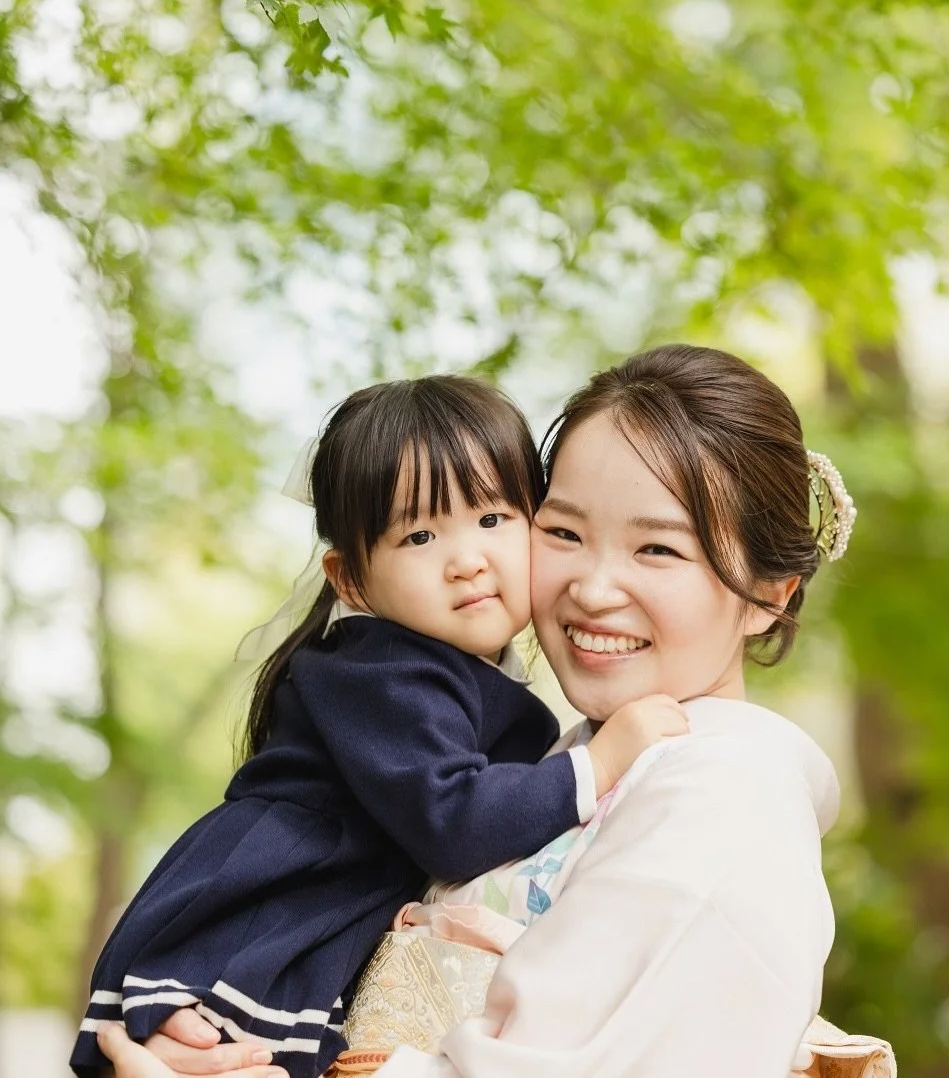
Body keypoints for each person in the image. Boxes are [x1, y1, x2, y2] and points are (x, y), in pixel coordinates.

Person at [94, 345, 894, 1078]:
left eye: (658, 548)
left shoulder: (723, 794)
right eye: (564, 531)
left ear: (767, 594)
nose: (592, 586)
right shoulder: (548, 761)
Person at [71, 374, 688, 1078]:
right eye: (420, 534)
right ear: (352, 578)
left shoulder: (451, 666)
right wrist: (602, 761)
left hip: (320, 902)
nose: (467, 559)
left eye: (492, 518)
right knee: (223, 1054)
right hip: (270, 910)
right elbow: (455, 821)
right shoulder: (385, 670)